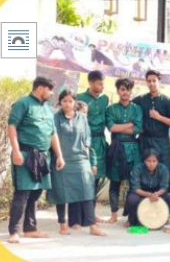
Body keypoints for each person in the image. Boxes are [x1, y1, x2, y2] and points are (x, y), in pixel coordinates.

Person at [7, 77, 65, 244]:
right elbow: (12, 127)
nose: (52, 93)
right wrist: (16, 151)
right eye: (50, 89)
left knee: (36, 192)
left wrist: (59, 155)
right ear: (40, 88)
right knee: (23, 193)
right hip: (25, 155)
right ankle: (14, 231)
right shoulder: (23, 103)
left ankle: (30, 229)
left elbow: (52, 133)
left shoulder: (47, 108)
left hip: (43, 156)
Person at [47, 90, 106, 237]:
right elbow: (53, 139)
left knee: (87, 192)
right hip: (62, 160)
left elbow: (87, 137)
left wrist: (86, 155)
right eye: (64, 101)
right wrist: (59, 157)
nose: (67, 104)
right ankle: (63, 224)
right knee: (62, 193)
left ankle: (92, 226)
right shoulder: (55, 118)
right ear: (60, 102)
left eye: (70, 101)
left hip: (80, 160)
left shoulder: (82, 118)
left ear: (75, 102)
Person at [133, 71, 170, 200]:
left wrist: (159, 117)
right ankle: (140, 212)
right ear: (146, 82)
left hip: (162, 142)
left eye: (154, 81)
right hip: (145, 141)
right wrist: (138, 127)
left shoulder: (168, 101)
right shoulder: (141, 100)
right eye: (149, 81)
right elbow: (129, 109)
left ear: (159, 81)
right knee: (143, 174)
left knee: (166, 175)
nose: (152, 84)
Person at [104, 77, 142, 225]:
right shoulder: (111, 109)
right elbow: (111, 128)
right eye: (123, 89)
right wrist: (130, 124)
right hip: (116, 148)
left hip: (133, 149)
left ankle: (130, 217)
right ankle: (114, 214)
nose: (126, 92)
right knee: (115, 182)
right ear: (118, 91)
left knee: (133, 184)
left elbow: (137, 130)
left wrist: (122, 126)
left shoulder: (137, 108)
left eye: (128, 89)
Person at [76, 70, 109, 221]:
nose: (102, 86)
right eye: (99, 83)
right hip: (84, 143)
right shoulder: (80, 98)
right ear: (90, 83)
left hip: (100, 142)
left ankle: (91, 214)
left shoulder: (105, 99)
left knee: (96, 180)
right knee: (83, 179)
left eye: (103, 83)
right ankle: (78, 215)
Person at [125, 149, 170, 228]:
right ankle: (130, 219)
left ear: (158, 161)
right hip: (142, 192)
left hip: (157, 193)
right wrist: (148, 194)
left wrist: (157, 194)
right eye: (148, 161)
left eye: (154, 161)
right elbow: (135, 188)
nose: (151, 164)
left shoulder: (163, 169)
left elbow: (164, 187)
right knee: (131, 199)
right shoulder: (137, 169)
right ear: (144, 161)